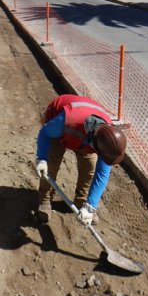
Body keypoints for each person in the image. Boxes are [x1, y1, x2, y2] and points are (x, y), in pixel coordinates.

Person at [35, 94, 127, 226]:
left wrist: (91, 207)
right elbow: (45, 132)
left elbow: (102, 173)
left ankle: (82, 202)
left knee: (89, 168)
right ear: (95, 145)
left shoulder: (108, 139)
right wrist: (42, 158)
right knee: (50, 165)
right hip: (59, 127)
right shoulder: (68, 120)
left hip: (84, 137)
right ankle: (44, 199)